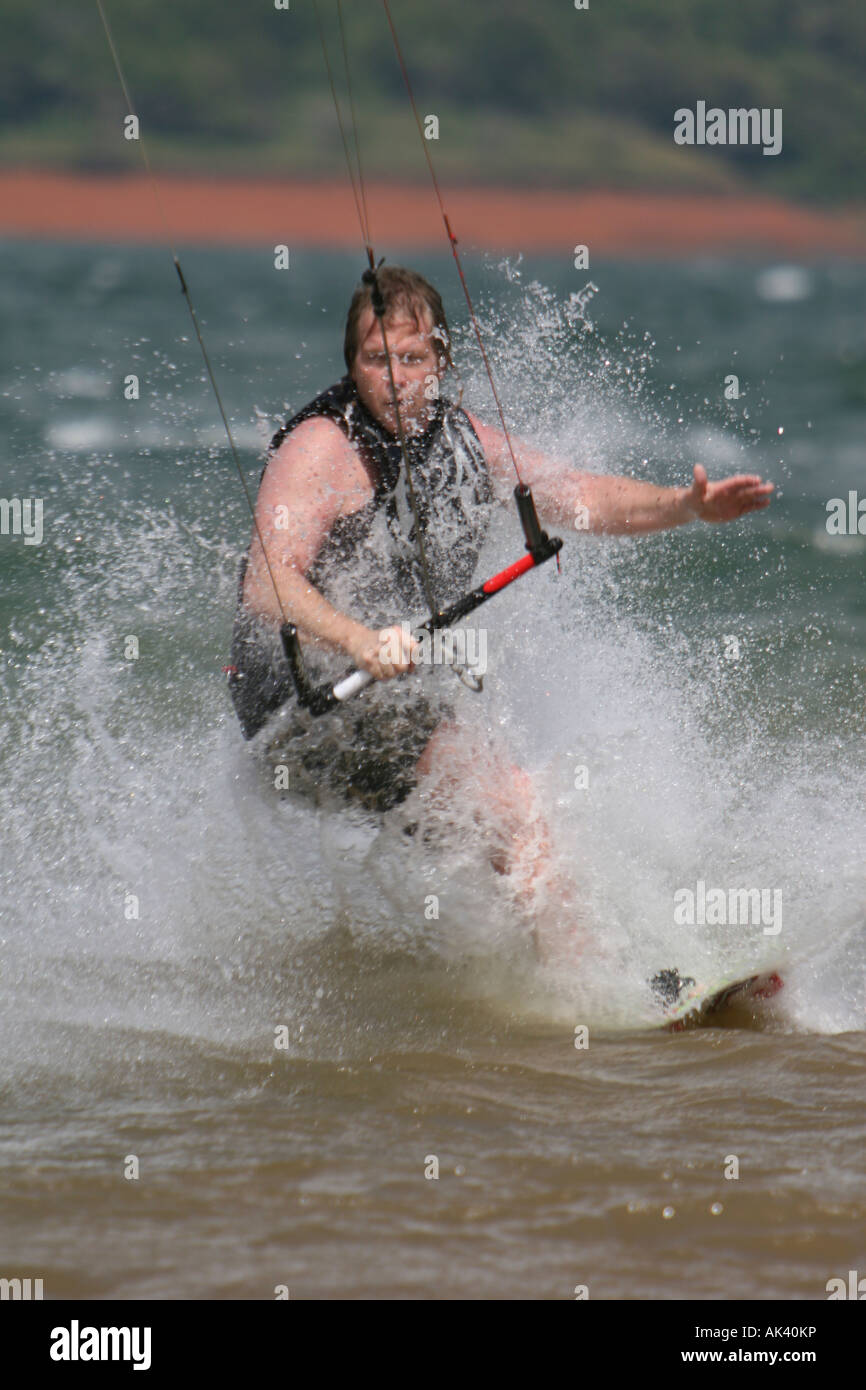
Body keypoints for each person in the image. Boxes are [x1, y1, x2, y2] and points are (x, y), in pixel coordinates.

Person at [228, 266, 773, 937]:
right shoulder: (321, 449)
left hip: (379, 696)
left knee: (517, 815)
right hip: (300, 710)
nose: (394, 378)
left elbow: (576, 494)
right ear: (352, 365)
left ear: (441, 362)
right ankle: (595, 992)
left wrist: (685, 507)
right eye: (375, 360)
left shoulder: (462, 441)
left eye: (411, 358)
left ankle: (558, 974)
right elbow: (268, 582)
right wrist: (357, 639)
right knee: (511, 803)